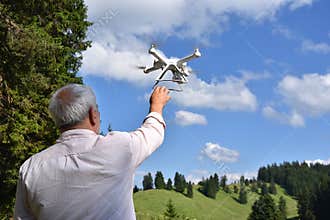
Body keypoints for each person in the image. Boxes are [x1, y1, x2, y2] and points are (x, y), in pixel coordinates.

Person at [14, 84, 171, 220]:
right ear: (92, 114)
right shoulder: (120, 147)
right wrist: (156, 106)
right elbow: (152, 133)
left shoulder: (30, 168)